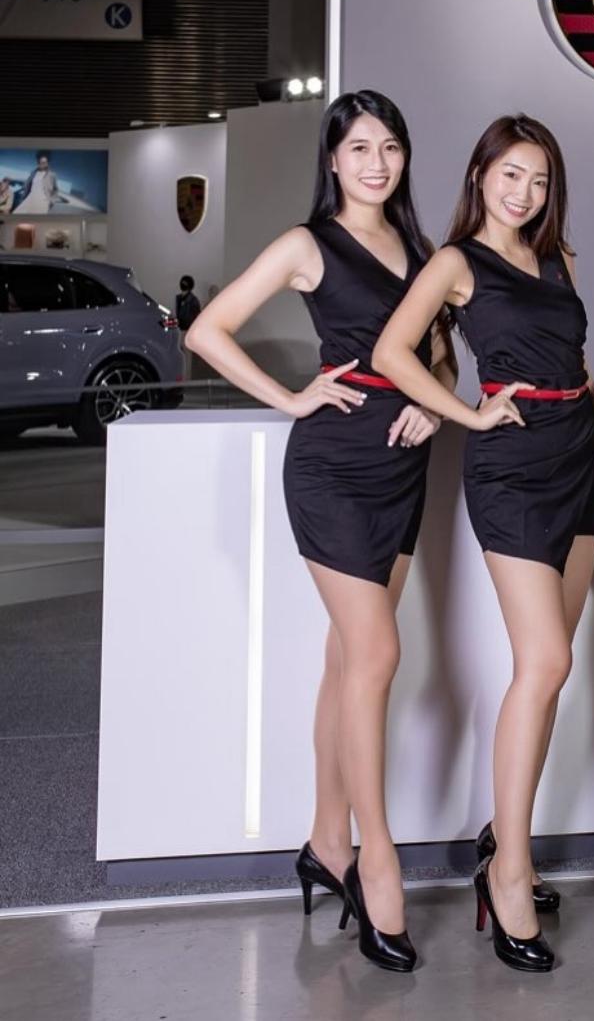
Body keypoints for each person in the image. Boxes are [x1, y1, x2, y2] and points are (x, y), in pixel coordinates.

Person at [186, 90, 455, 973]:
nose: (377, 163)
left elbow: (439, 355)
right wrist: (291, 397)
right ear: (333, 159)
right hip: (332, 469)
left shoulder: (421, 250)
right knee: (376, 654)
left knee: (347, 660)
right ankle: (377, 861)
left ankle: (326, 841)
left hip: (401, 469)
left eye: (391, 146)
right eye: (360, 148)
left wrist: (435, 405)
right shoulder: (309, 244)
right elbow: (209, 329)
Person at [374, 113, 594, 973]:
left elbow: (578, 368)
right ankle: (507, 869)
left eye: (540, 180)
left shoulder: (558, 258)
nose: (525, 192)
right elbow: (393, 351)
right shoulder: (454, 263)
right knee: (545, 662)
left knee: (550, 677)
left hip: (580, 459)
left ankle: (510, 841)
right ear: (480, 175)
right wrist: (466, 412)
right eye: (511, 174)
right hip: (510, 468)